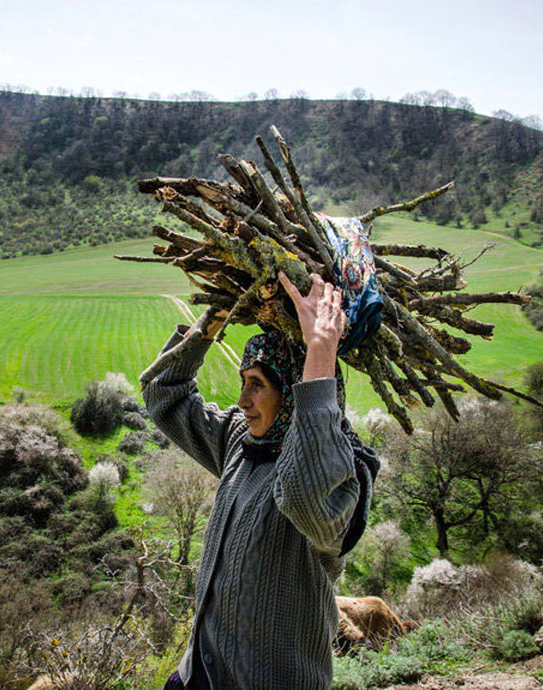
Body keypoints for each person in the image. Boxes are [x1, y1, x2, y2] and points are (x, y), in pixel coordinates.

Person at [144, 270, 375, 689]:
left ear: (291, 393)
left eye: (257, 385)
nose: (242, 400)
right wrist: (212, 321)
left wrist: (320, 349)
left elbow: (305, 495)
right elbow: (164, 394)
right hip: (198, 674)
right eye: (243, 383)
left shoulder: (343, 477)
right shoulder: (242, 439)